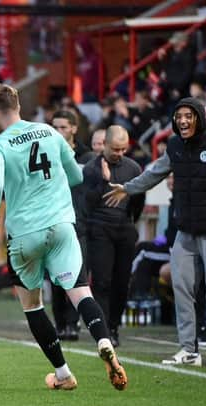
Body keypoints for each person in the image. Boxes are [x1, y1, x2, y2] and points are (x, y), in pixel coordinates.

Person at [0, 83, 127, 391]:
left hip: (24, 234)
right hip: (61, 225)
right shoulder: (49, 132)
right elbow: (75, 175)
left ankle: (63, 374)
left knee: (33, 305)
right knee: (80, 292)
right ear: (19, 106)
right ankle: (103, 339)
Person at [104, 97, 206, 367]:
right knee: (182, 287)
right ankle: (189, 349)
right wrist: (127, 188)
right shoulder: (174, 146)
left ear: (197, 117)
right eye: (179, 116)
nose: (183, 121)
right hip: (185, 229)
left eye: (188, 116)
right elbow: (154, 174)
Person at [83, 125, 144, 347]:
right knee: (102, 281)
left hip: (124, 230)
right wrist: (103, 180)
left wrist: (130, 223)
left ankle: (115, 325)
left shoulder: (134, 168)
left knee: (121, 282)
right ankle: (104, 329)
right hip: (99, 230)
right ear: (105, 145)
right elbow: (87, 202)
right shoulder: (91, 168)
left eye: (123, 149)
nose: (119, 153)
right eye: (115, 149)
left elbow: (138, 200)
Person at [51, 109, 95, 340]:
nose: (58, 132)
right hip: (54, 220)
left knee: (77, 275)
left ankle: (73, 322)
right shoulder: (47, 153)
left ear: (74, 129)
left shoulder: (87, 158)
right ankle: (60, 324)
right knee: (56, 277)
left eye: (63, 127)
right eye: (55, 127)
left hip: (79, 222)